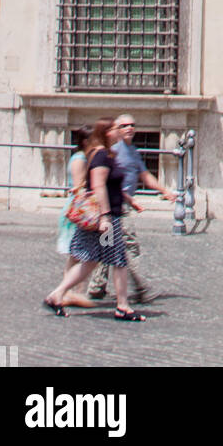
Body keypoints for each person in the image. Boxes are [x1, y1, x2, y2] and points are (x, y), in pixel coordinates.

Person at [43, 117, 145, 321]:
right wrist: (106, 217)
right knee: (117, 260)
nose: (122, 131)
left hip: (106, 219)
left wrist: (128, 200)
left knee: (92, 261)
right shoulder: (100, 156)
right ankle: (122, 306)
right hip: (105, 221)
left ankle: (57, 295)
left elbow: (110, 185)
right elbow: (98, 186)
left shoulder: (108, 154)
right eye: (118, 128)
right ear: (108, 132)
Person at [87, 112, 176, 305]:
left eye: (132, 125)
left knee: (107, 244)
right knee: (129, 246)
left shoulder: (133, 152)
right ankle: (141, 288)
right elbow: (107, 182)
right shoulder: (113, 152)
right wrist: (128, 201)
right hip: (116, 206)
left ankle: (96, 286)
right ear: (116, 131)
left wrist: (164, 191)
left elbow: (145, 175)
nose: (129, 128)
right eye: (124, 125)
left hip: (119, 206)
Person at [55, 124, 96, 308]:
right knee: (76, 254)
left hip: (81, 210)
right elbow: (79, 186)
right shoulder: (80, 159)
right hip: (79, 211)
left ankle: (74, 291)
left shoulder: (85, 157)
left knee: (79, 254)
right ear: (86, 141)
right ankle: (69, 292)